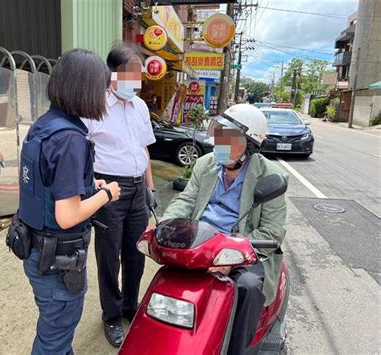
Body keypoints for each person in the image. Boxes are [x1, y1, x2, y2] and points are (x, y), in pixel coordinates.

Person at [161, 104, 288, 354]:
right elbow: (185, 200)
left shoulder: (270, 176)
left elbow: (272, 232)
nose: (220, 145)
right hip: (199, 243)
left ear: (249, 146)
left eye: (229, 140)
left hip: (244, 249)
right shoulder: (205, 164)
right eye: (220, 136)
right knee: (167, 279)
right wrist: (166, 225)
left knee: (249, 286)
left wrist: (231, 256)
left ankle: (235, 349)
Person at [19, 49, 121, 355]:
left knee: (53, 331)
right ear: (86, 89)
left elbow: (47, 184)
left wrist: (88, 185)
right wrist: (105, 194)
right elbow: (67, 215)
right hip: (57, 263)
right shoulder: (70, 138)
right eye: (102, 89)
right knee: (55, 339)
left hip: (36, 252)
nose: (104, 97)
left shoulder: (46, 125)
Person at [82, 42, 156, 347]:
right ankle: (111, 314)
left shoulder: (139, 106)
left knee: (136, 251)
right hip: (108, 189)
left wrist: (150, 187)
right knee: (109, 255)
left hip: (138, 188)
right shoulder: (94, 106)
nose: (134, 80)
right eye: (129, 73)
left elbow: (144, 149)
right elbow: (81, 150)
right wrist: (94, 186)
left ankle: (129, 306)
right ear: (112, 74)